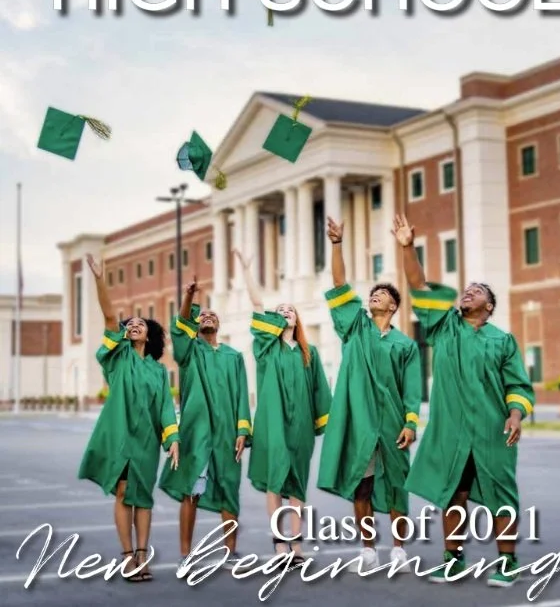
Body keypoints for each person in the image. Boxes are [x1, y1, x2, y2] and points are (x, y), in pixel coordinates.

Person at [392, 214, 535, 587]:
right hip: (452, 429)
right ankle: (452, 559)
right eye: (467, 288)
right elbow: (418, 283)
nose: (469, 291)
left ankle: (508, 562)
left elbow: (518, 385)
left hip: (491, 430)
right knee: (454, 491)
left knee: (502, 493)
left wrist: (516, 415)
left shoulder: (502, 341)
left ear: (489, 306)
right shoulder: (444, 326)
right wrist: (407, 247)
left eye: (478, 290)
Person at [318, 216, 422, 573]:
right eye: (372, 294)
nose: (373, 296)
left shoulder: (405, 345)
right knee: (361, 486)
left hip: (392, 422)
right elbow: (339, 282)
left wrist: (410, 422)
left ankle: (398, 549)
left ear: (393, 306)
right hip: (362, 422)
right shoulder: (355, 328)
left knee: (397, 487)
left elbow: (412, 390)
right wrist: (336, 243)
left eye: (381, 294)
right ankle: (367, 548)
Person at [78, 254, 180, 582]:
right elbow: (110, 316)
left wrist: (173, 439)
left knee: (143, 496)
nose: (134, 324)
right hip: (121, 436)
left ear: (149, 334)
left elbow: (165, 407)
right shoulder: (118, 358)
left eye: (140, 323)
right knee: (123, 492)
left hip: (147, 441)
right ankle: (127, 556)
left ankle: (142, 554)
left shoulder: (158, 370)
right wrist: (98, 278)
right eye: (129, 324)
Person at [234, 249, 332, 567]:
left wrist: (324, 426)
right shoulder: (266, 348)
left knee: (297, 483)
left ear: (297, 318)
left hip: (301, 425)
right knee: (276, 478)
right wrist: (249, 273)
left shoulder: (309, 353)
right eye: (281, 310)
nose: (285, 312)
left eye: (290, 309)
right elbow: (258, 305)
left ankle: (296, 545)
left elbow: (320, 390)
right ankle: (280, 544)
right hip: (273, 423)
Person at [159, 278, 252, 569]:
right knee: (192, 490)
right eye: (202, 316)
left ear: (220, 325)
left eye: (213, 315)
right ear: (195, 326)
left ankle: (231, 551)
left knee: (229, 489)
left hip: (226, 434)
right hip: (197, 432)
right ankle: (186, 553)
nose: (207, 317)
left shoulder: (233, 357)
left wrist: (242, 430)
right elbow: (180, 326)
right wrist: (189, 296)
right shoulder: (189, 354)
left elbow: (241, 396)